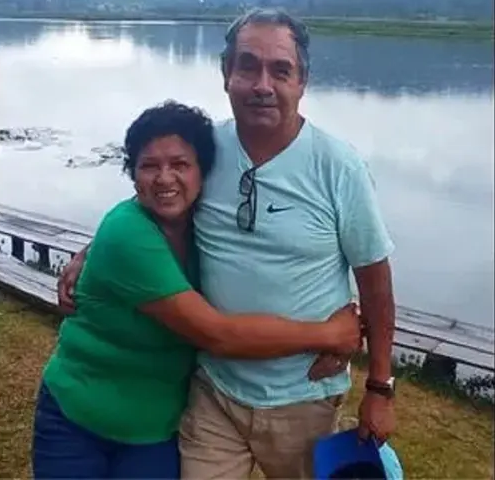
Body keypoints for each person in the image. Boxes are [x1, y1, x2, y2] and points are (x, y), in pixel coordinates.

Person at [56, 8, 397, 479]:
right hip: (214, 391)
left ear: (302, 81)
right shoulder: (207, 150)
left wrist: (380, 388)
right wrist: (93, 251)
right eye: (247, 66)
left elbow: (375, 281)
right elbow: (157, 198)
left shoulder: (339, 168)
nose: (262, 84)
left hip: (304, 398)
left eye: (280, 70)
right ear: (225, 75)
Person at [31, 101, 363, 480]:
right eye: (149, 166)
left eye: (180, 164)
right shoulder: (126, 232)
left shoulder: (206, 220)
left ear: (203, 173)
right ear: (133, 175)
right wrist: (331, 333)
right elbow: (216, 335)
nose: (164, 178)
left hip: (154, 431)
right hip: (79, 419)